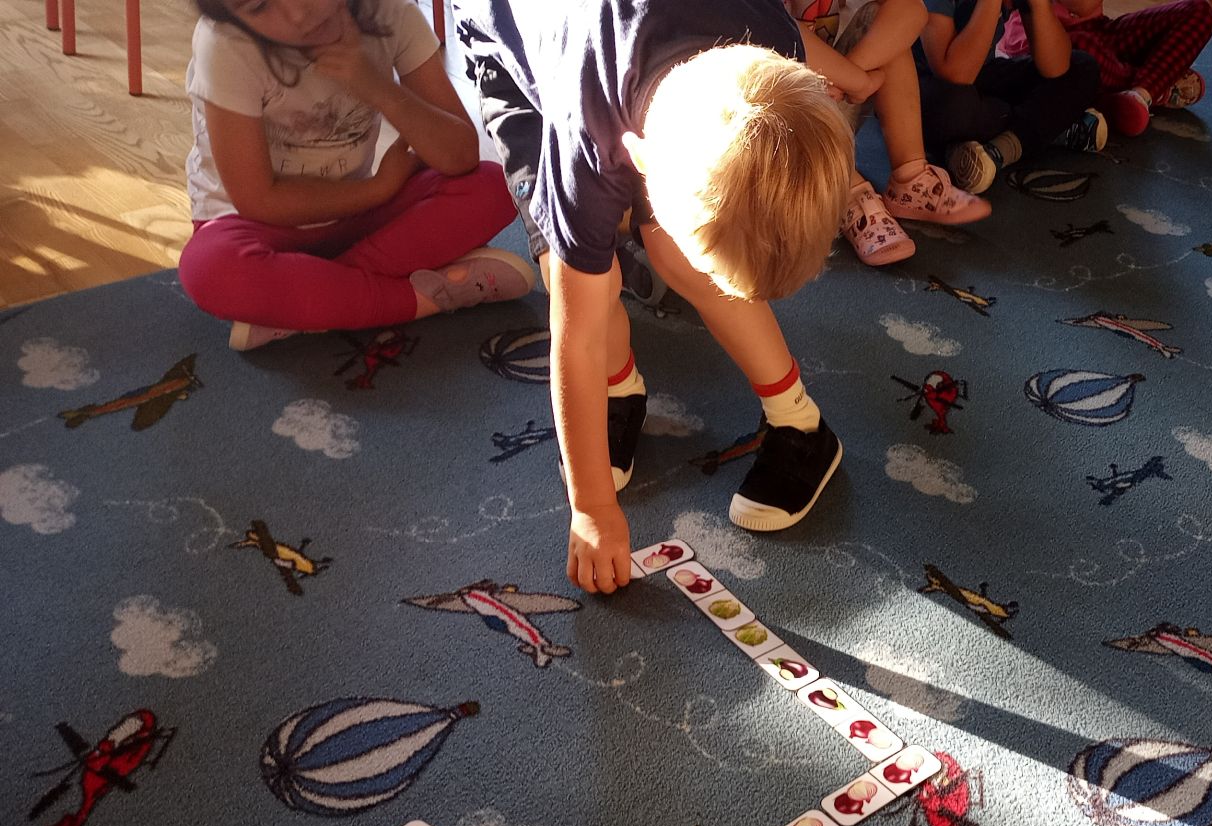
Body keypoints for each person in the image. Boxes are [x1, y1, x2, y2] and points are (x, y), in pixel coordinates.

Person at [453, 0, 855, 593]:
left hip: (643, 64)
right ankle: (619, 389)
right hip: (522, 60)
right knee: (581, 283)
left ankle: (799, 420)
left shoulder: (777, 54)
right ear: (640, 161)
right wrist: (591, 508)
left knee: (673, 255)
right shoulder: (585, 142)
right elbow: (574, 338)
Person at [178, 0, 534, 352]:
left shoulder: (391, 14)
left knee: (494, 186)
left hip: (355, 219)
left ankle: (309, 302)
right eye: (258, 6)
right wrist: (379, 189)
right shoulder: (226, 42)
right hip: (254, 227)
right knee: (210, 269)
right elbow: (259, 200)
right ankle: (422, 298)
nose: (298, 14)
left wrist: (375, 86)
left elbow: (460, 155)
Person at [794, 0, 992, 265]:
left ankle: (910, 177)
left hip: (832, 94)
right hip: (773, 122)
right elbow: (777, 35)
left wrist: (849, 77)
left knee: (884, 25)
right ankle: (846, 188)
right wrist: (854, 80)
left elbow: (910, 10)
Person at [916, 0, 1105, 194]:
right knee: (952, 107)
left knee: (1082, 67)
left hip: (983, 74)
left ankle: (999, 150)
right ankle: (1049, 127)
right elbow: (953, 74)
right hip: (929, 85)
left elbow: (1055, 68)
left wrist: (1038, 5)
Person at [998, 0, 1211, 137]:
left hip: (1100, 30)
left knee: (1199, 10)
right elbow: (1080, 6)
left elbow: (1086, 6)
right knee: (1082, 53)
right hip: (1047, 48)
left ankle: (1140, 93)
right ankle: (1159, 84)